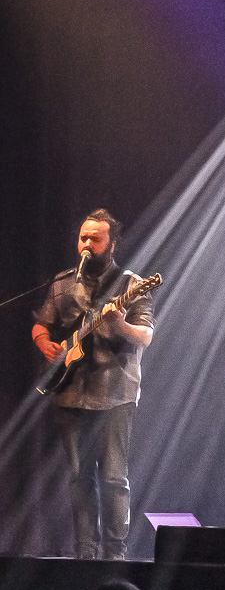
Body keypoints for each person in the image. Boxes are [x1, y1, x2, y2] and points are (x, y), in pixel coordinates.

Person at [32, 209, 154, 560]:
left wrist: (121, 326)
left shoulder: (132, 284)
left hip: (115, 394)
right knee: (78, 477)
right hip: (69, 393)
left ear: (112, 243)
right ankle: (85, 553)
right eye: (83, 238)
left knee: (114, 478)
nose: (86, 244)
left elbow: (146, 335)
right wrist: (45, 344)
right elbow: (41, 324)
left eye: (95, 239)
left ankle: (115, 554)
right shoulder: (63, 283)